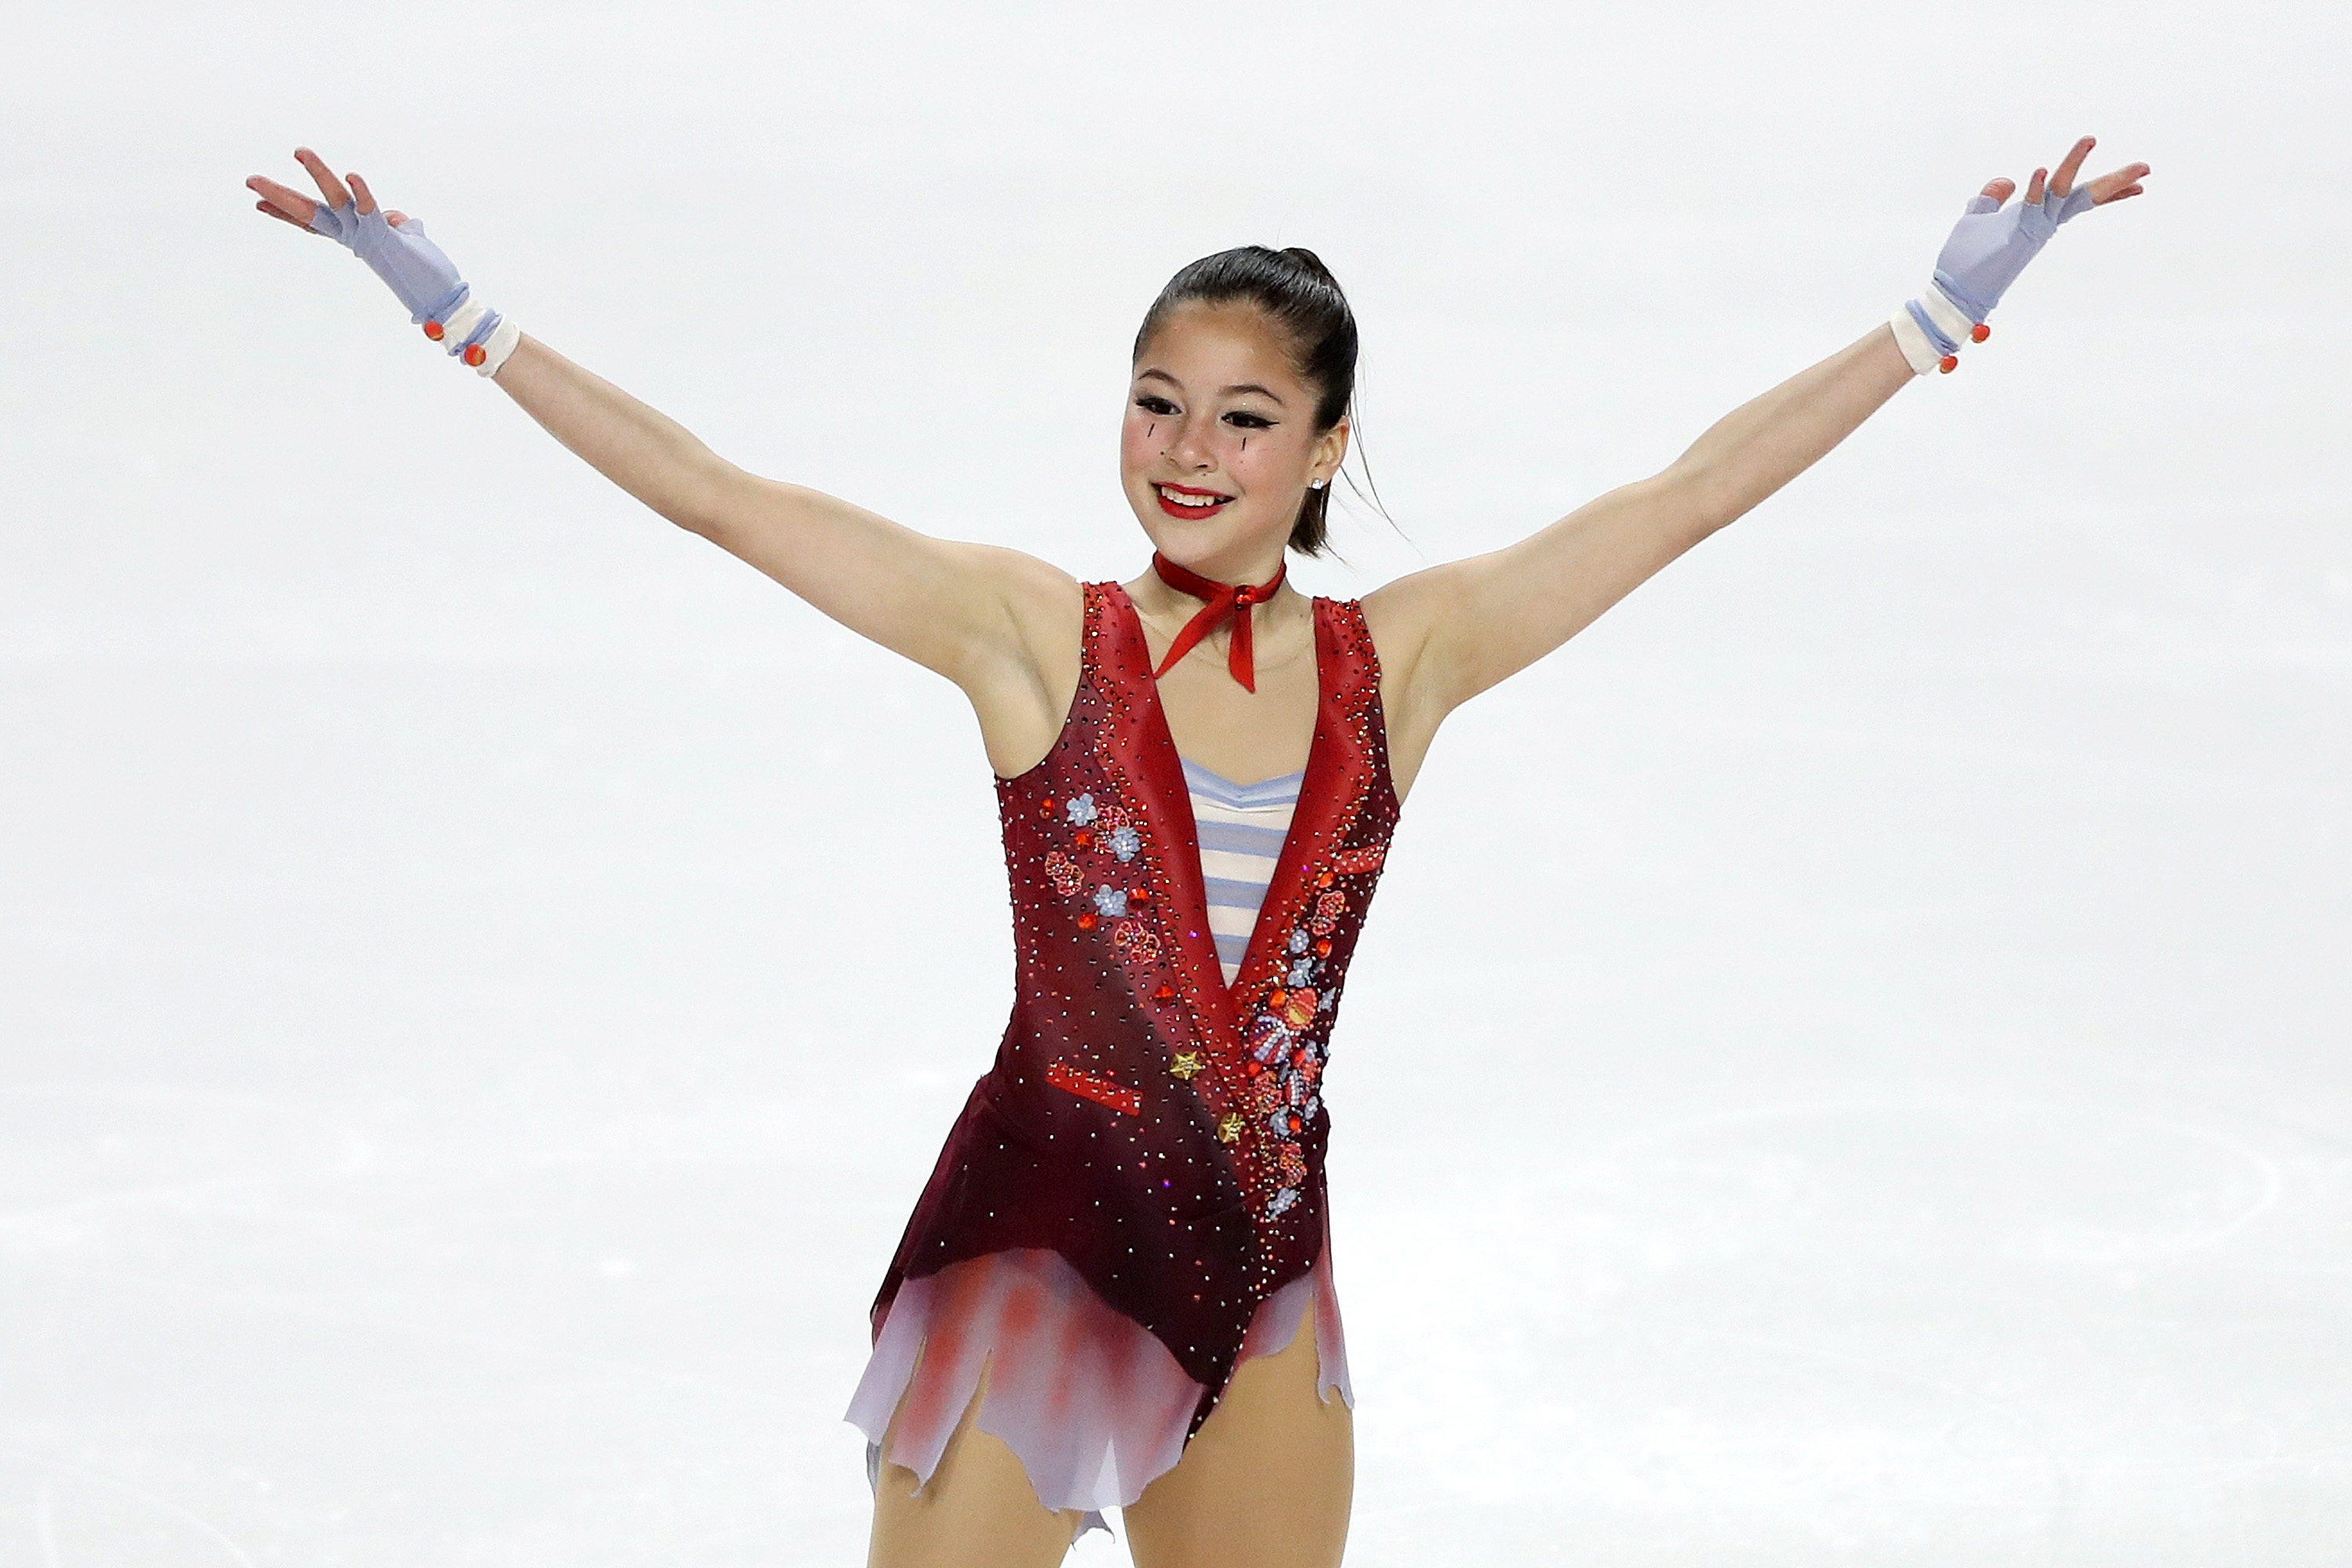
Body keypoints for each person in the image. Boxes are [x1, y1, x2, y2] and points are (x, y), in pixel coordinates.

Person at [245, 136, 2149, 1568]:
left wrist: (1930, 321)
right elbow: (724, 500)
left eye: (1246, 418)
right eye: (1158, 402)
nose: (1188, 449)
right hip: (1035, 1249)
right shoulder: (1030, 636)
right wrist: (469, 322)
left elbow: (1687, 497)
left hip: (1259, 1263)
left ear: (1323, 449)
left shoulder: (1405, 660)